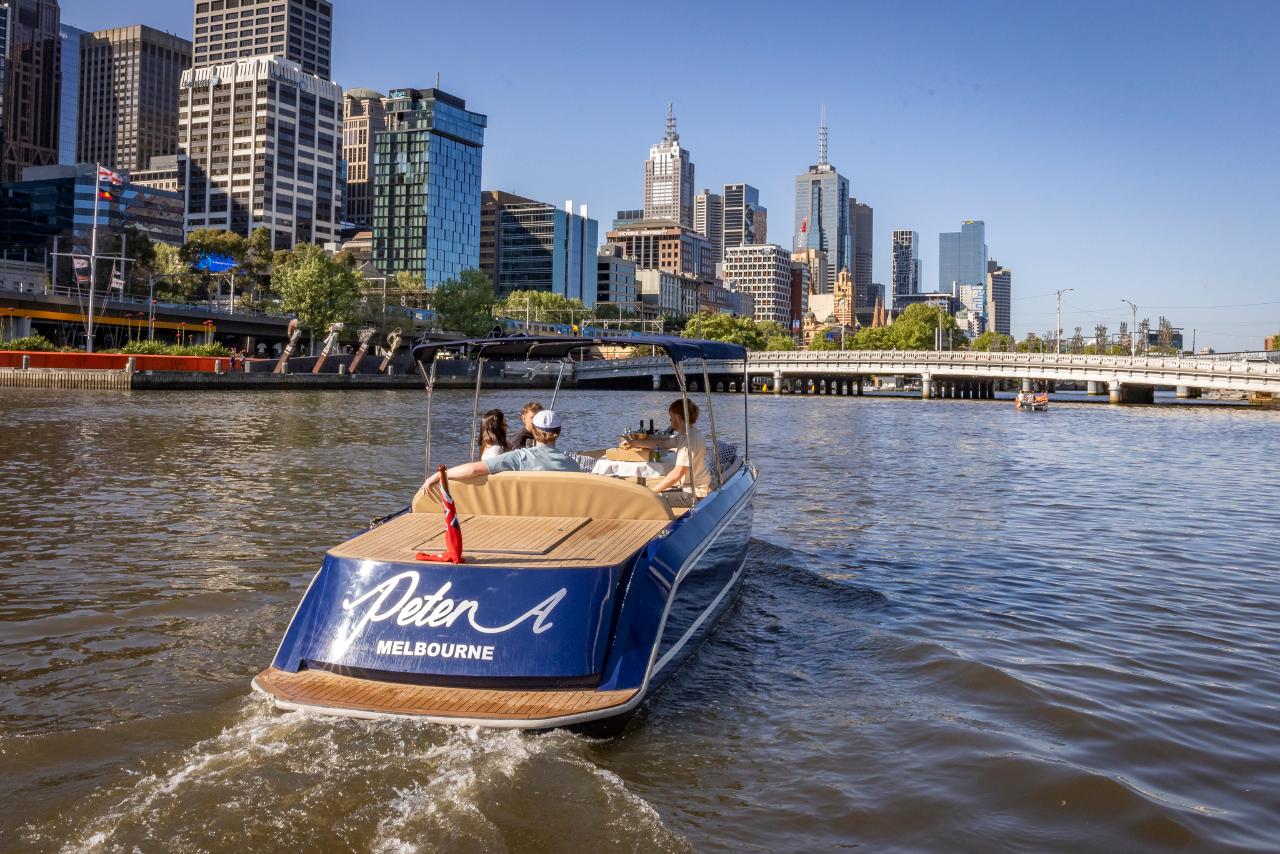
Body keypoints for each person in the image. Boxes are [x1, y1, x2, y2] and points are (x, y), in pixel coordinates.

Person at [422, 410, 578, 494]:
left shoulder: (520, 457)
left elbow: (472, 469)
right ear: (558, 432)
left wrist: (439, 475)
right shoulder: (573, 465)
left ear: (534, 430)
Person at [622, 399, 712, 497]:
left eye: (670, 418)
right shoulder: (689, 434)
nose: (670, 421)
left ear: (677, 418)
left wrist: (652, 492)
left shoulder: (688, 440)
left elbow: (678, 473)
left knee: (649, 500)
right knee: (652, 494)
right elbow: (663, 443)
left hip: (694, 492)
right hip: (693, 487)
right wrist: (634, 443)